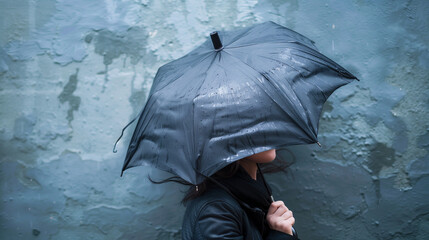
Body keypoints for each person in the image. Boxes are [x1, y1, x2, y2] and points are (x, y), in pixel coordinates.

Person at [181, 149, 299, 240]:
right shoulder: (216, 212)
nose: (271, 134)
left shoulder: (253, 193)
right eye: (256, 126)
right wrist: (280, 236)